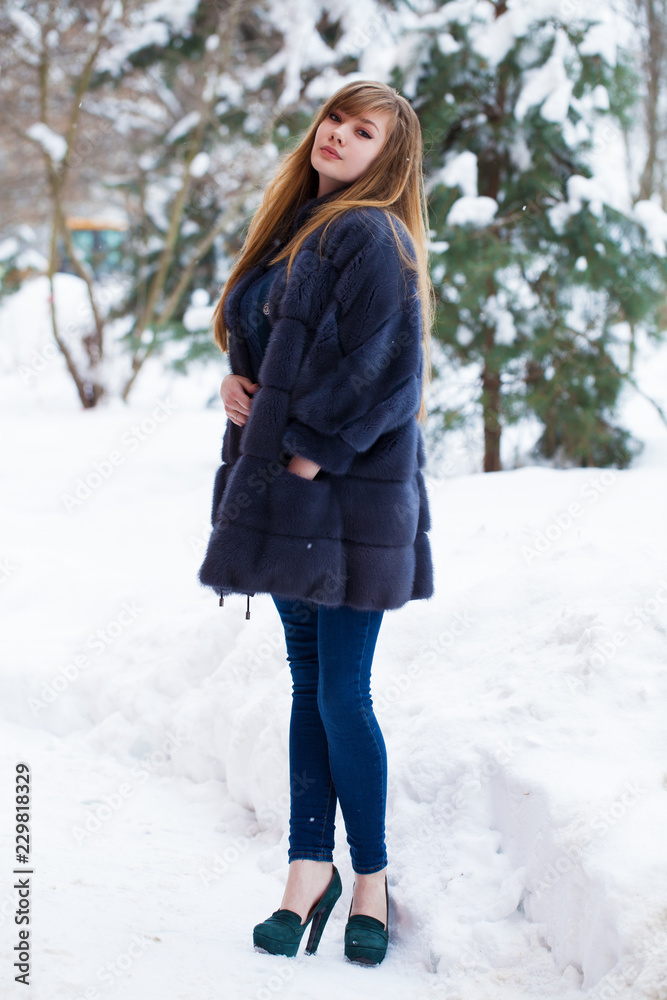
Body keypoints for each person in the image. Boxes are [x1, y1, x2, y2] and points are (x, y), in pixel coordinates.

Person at [198, 80, 435, 965]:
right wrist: (234, 385)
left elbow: (393, 378)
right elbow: (265, 345)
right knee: (310, 686)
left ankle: (368, 876)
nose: (336, 135)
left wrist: (302, 451)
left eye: (361, 128)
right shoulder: (297, 227)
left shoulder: (370, 233)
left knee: (342, 689)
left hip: (343, 499)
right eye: (334, 118)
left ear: (389, 155)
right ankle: (308, 873)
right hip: (289, 500)